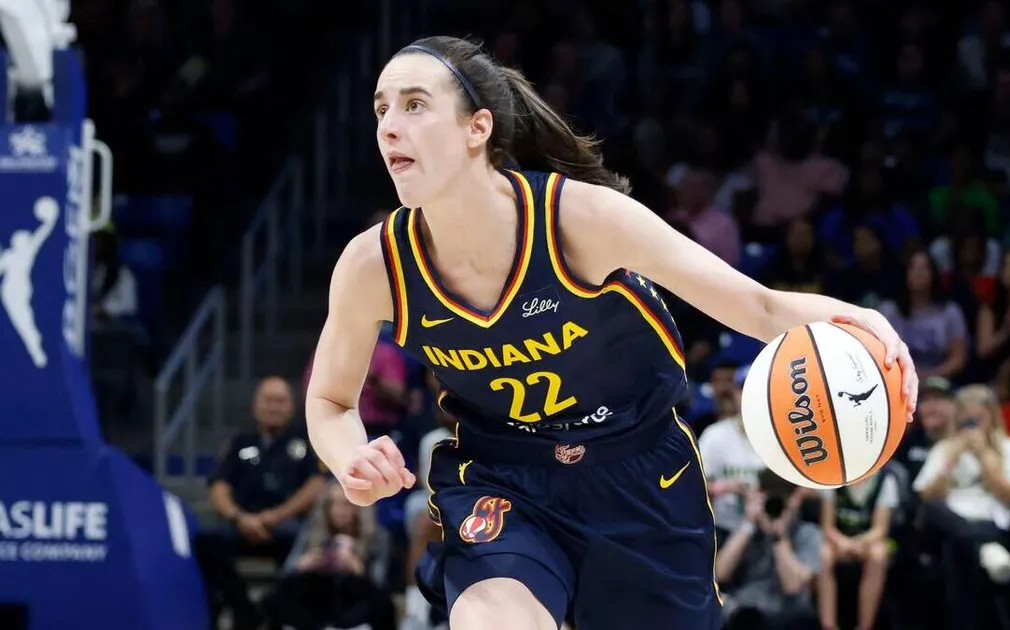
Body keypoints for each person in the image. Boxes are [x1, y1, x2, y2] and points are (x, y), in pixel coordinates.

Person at [305, 36, 919, 630]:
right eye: (381, 110)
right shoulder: (373, 265)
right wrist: (350, 458)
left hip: (640, 476)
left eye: (415, 105)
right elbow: (330, 400)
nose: (389, 127)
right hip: (504, 475)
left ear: (478, 128)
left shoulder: (579, 220)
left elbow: (757, 308)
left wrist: (860, 321)